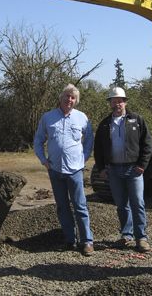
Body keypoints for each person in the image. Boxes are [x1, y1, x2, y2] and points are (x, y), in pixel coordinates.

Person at [34, 83, 95, 256]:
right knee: (62, 207)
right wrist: (43, 160)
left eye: (73, 97)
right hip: (55, 170)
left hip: (75, 170)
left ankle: (87, 242)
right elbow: (38, 140)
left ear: (76, 101)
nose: (69, 99)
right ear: (60, 98)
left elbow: (89, 139)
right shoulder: (48, 117)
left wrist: (84, 158)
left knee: (80, 206)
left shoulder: (82, 117)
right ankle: (70, 240)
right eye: (67, 96)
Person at [94, 87, 152, 253]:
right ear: (110, 103)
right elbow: (98, 148)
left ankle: (141, 237)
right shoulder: (105, 124)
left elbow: (147, 143)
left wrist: (142, 164)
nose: (117, 103)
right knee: (121, 205)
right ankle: (126, 235)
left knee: (138, 203)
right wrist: (101, 168)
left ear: (125, 102)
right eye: (113, 101)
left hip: (133, 170)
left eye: (120, 100)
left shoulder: (137, 120)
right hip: (113, 170)